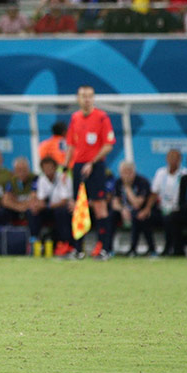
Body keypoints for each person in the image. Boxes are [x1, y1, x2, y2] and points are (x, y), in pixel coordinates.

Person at [63, 85, 116, 260]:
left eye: (89, 96)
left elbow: (108, 144)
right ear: (78, 99)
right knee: (78, 207)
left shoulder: (101, 117)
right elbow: (71, 144)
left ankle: (104, 248)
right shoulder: (75, 118)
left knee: (100, 206)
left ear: (93, 98)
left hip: (96, 166)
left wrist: (92, 162)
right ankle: (78, 249)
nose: (86, 99)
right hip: (78, 166)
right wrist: (65, 167)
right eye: (83, 96)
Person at [141, 149, 187, 256]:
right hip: (163, 208)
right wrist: (147, 208)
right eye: (170, 157)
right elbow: (154, 193)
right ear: (166, 159)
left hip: (178, 209)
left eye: (175, 157)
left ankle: (171, 248)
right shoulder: (161, 173)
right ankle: (151, 248)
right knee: (144, 218)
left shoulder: (185, 174)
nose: (172, 160)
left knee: (171, 219)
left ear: (180, 159)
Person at [31, 157, 74, 256]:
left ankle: (65, 243)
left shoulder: (64, 177)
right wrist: (38, 206)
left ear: (55, 168)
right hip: (50, 208)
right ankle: (35, 240)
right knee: (33, 212)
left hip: (63, 208)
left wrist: (46, 205)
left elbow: (64, 201)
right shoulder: (42, 179)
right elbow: (41, 198)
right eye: (45, 168)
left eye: (50, 167)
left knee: (61, 212)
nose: (48, 170)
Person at [112, 161, 154, 257]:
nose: (126, 175)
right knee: (111, 216)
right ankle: (108, 248)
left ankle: (138, 249)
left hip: (142, 211)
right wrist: (122, 209)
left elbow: (137, 204)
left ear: (133, 172)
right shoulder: (118, 182)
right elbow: (115, 203)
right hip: (124, 211)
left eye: (129, 172)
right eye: (123, 173)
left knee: (138, 216)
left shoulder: (142, 182)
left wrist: (127, 188)